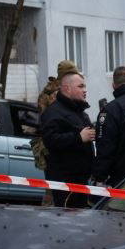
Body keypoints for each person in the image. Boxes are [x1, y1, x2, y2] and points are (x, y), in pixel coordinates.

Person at [39, 71, 95, 208]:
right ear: (67, 89)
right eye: (80, 86)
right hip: (65, 182)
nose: (85, 90)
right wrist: (78, 137)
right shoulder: (53, 112)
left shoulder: (80, 112)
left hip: (81, 180)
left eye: (84, 86)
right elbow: (51, 140)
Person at [33, 59, 80, 205]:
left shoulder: (49, 92)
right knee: (55, 190)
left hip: (55, 144)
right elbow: (56, 121)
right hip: (55, 147)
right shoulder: (57, 94)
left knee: (55, 189)